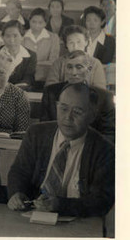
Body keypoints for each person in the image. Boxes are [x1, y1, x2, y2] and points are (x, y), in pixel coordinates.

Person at [7, 83, 114, 217]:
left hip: (78, 220)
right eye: (63, 108)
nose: (68, 117)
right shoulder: (36, 133)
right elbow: (19, 171)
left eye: (77, 111)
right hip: (34, 213)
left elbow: (101, 201)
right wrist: (16, 193)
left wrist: (60, 205)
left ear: (92, 116)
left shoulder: (105, 150)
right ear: (56, 106)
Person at [40, 50, 115, 138]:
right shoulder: (51, 93)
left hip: (91, 148)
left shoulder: (104, 97)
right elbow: (44, 129)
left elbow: (109, 135)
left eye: (79, 67)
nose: (73, 73)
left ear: (89, 69)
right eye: (69, 67)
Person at [45, 25, 106, 89]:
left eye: (79, 42)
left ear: (86, 42)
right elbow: (50, 87)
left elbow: (100, 89)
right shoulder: (58, 63)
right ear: (66, 44)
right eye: (71, 42)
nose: (75, 46)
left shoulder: (95, 63)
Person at [22, 8, 60, 85]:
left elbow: (53, 60)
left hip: (45, 77)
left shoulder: (53, 38)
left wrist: (32, 64)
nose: (36, 25)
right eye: (33, 22)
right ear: (29, 21)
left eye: (40, 22)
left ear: (45, 23)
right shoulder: (22, 36)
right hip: (23, 76)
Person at [0, 20, 37, 91]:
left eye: (15, 36)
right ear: (2, 37)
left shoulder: (31, 55)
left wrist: (16, 89)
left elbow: (29, 77)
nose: (12, 40)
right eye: (8, 36)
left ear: (22, 37)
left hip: (22, 91)